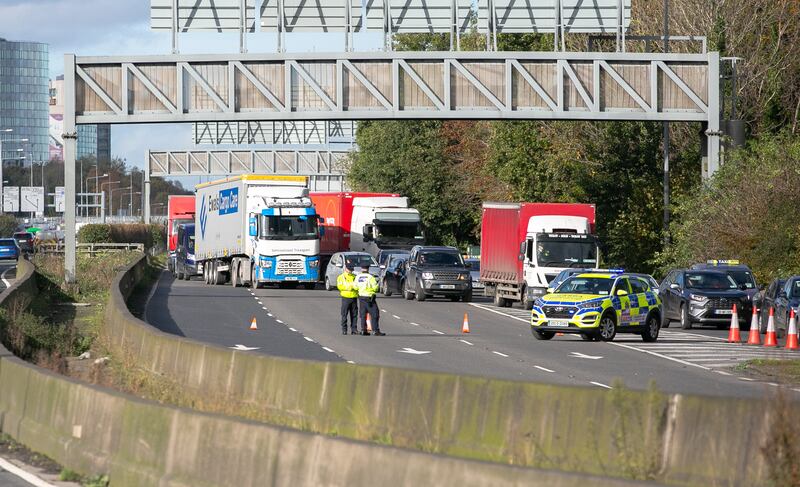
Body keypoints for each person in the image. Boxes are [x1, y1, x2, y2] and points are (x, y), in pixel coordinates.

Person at [355, 264, 385, 336]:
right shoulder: (370, 277)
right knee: (375, 314)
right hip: (369, 298)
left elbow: (355, 287)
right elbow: (375, 288)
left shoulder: (358, 277)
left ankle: (363, 330)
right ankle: (375, 330)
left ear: (361, 269)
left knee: (363, 314)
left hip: (361, 297)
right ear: (368, 269)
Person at [337, 263, 359, 335]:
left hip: (354, 297)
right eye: (349, 269)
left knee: (354, 314)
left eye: (351, 270)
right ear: (346, 269)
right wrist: (350, 287)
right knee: (344, 314)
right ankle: (344, 329)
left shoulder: (354, 277)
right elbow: (340, 286)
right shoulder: (341, 277)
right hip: (346, 298)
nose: (350, 271)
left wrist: (353, 287)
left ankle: (354, 329)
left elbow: (357, 286)